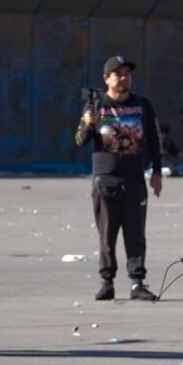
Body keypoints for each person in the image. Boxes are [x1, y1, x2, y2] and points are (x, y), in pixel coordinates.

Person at [74, 55, 161, 301]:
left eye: (127, 73)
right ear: (107, 79)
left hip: (134, 179)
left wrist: (156, 172)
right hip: (105, 180)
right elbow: (79, 141)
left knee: (136, 233)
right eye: (118, 73)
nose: (124, 77)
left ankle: (137, 283)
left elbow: (154, 140)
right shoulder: (96, 106)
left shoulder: (142, 104)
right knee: (107, 235)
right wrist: (88, 125)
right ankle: (106, 282)